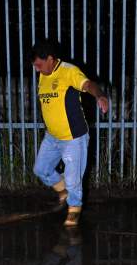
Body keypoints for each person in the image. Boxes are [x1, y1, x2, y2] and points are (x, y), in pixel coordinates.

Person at [29, 38, 109, 226]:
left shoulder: (69, 71)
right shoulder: (43, 74)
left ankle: (74, 211)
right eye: (35, 66)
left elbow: (88, 84)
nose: (37, 70)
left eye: (39, 65)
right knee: (41, 169)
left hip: (73, 138)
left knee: (74, 180)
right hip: (52, 137)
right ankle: (64, 193)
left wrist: (100, 95)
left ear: (50, 59)